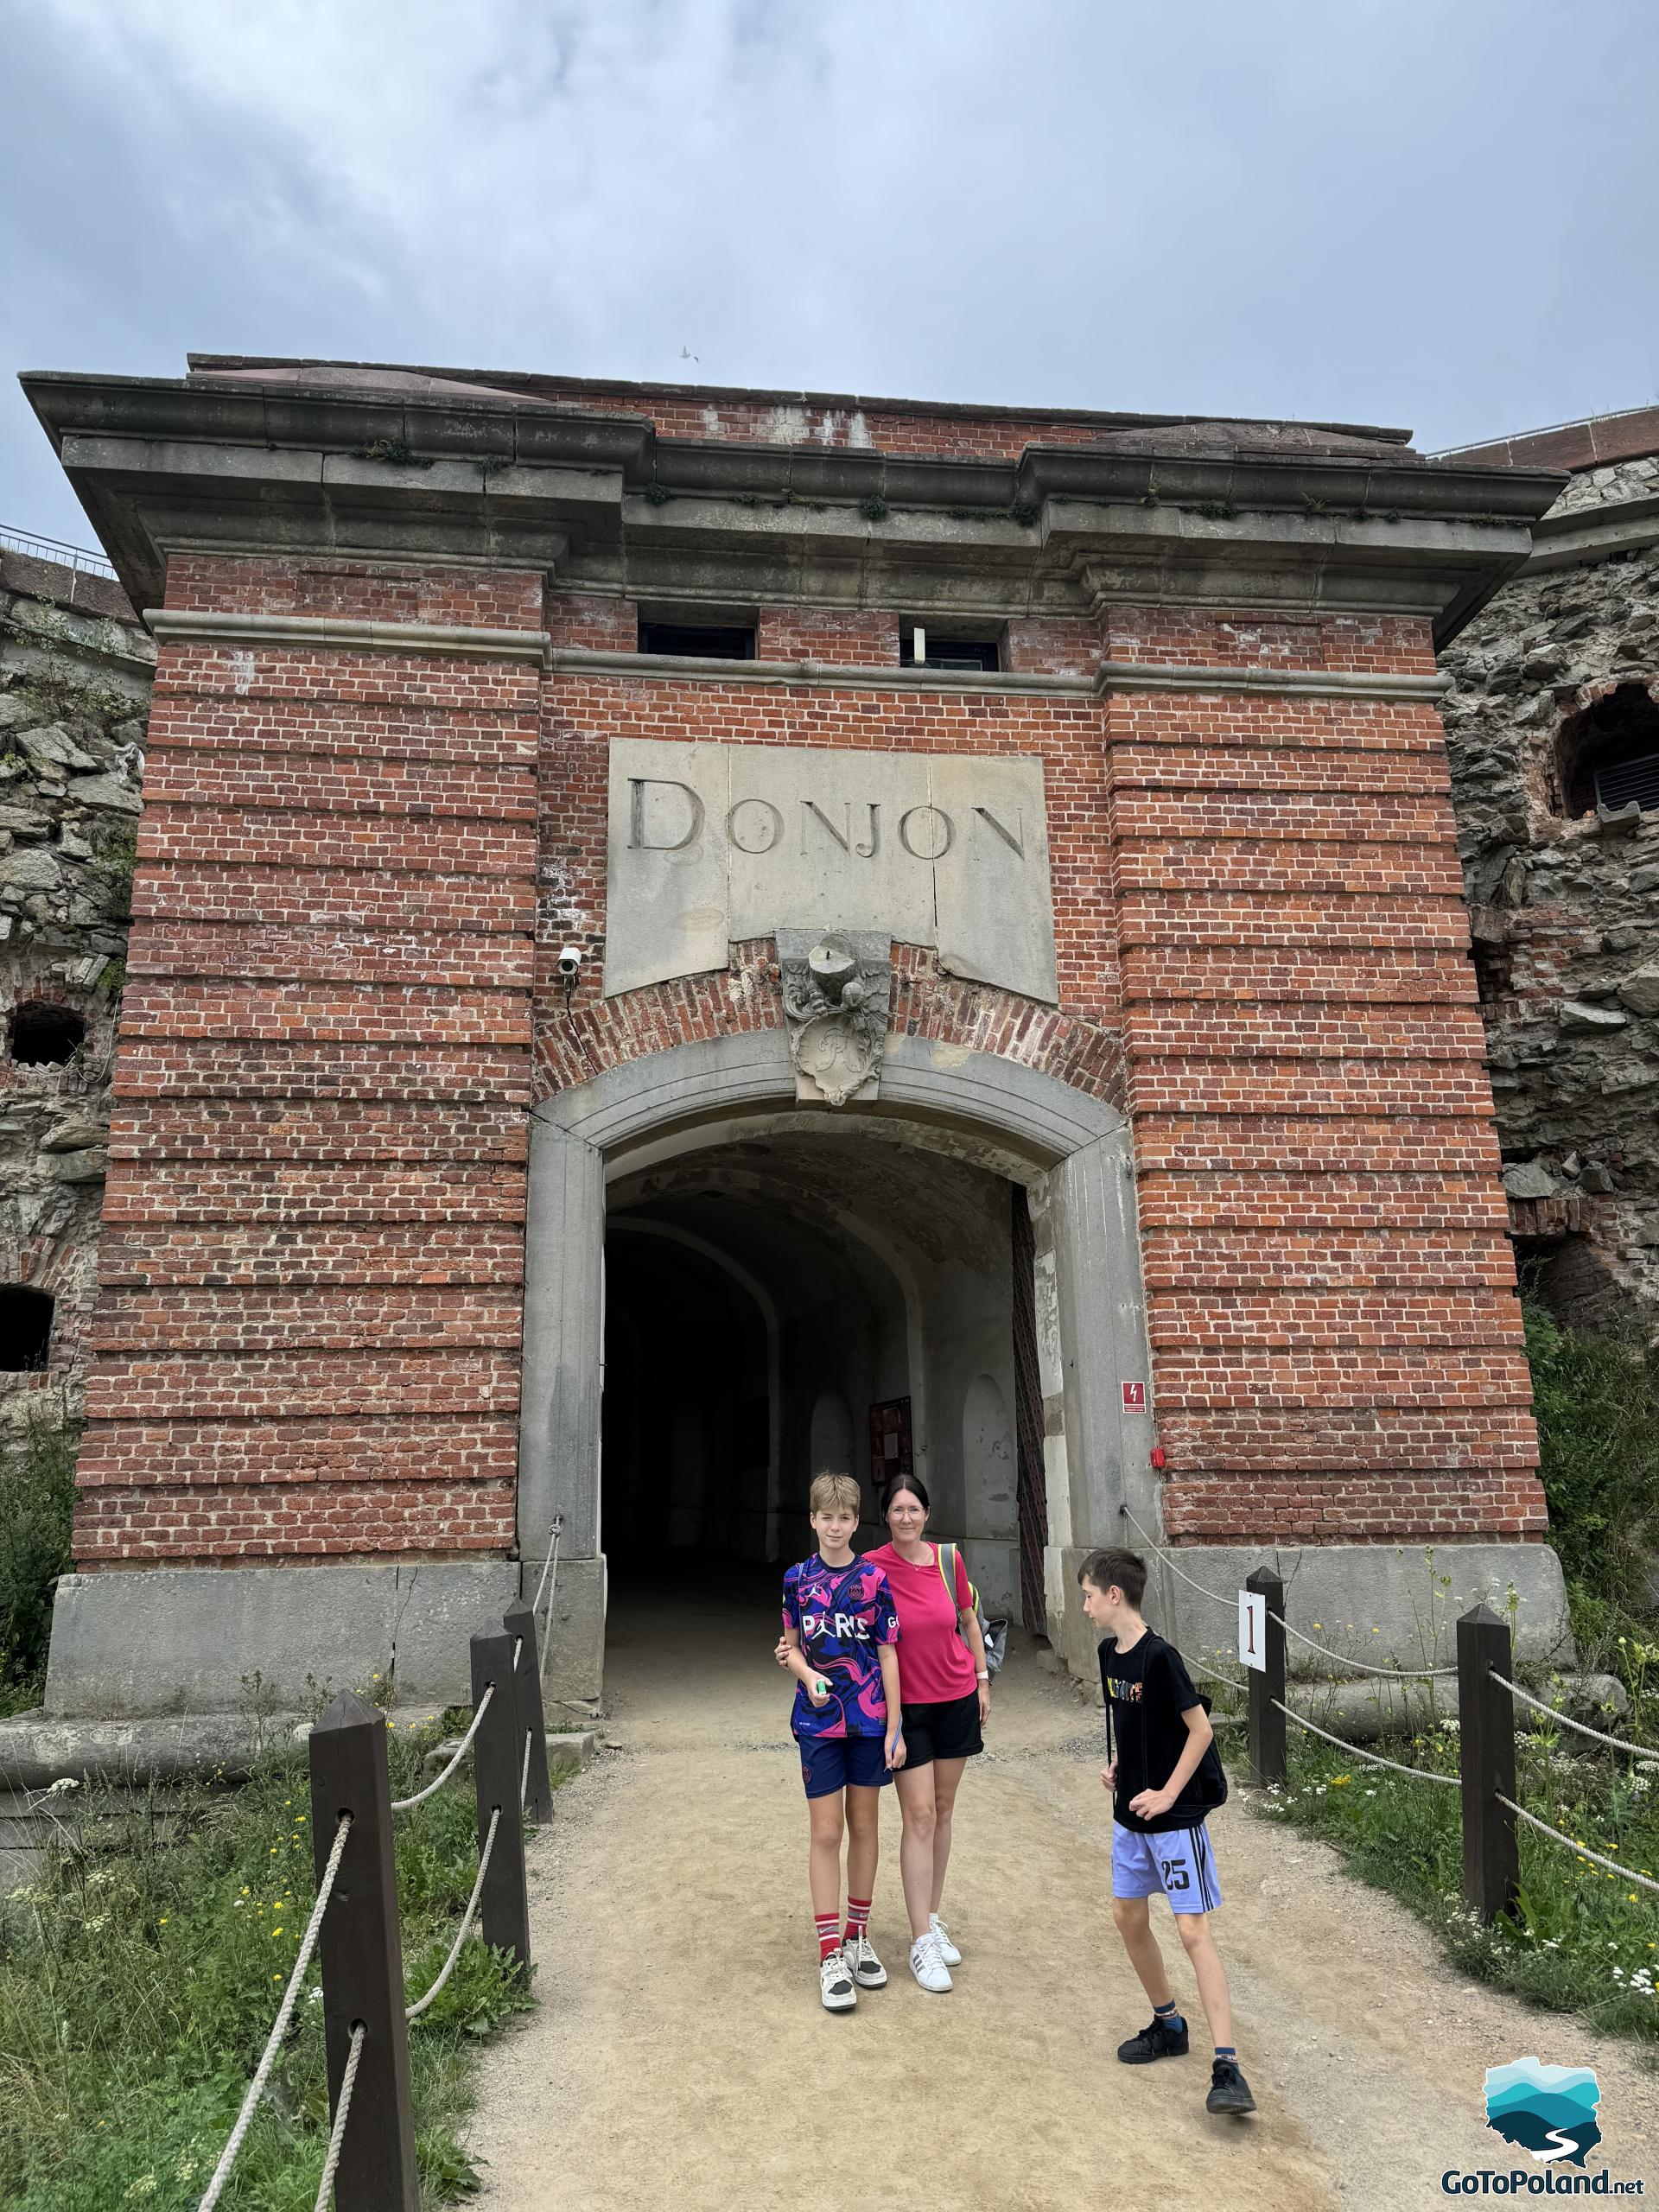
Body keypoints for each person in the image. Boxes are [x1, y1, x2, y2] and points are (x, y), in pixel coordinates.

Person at [1078, 1545, 1256, 2117]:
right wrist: (1120, 1770)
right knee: (1127, 1917)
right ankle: (1168, 2024)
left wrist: (1169, 1793)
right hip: (1129, 1819)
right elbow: (1132, 1726)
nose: (1083, 1606)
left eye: (1087, 1595)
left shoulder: (1161, 1658)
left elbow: (1199, 1732)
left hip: (1174, 1822)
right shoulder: (1110, 1655)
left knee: (1191, 1931)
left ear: (1114, 1594)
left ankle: (1228, 2066)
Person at [779, 1471, 905, 2013]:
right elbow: (792, 1648)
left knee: (866, 1827)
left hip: (870, 1722)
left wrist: (895, 1726)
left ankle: (858, 1935)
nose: (835, 1527)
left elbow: (888, 1654)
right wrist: (806, 1676)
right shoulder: (796, 1580)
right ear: (813, 1520)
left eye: (845, 1518)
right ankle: (829, 1950)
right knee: (826, 1831)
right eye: (826, 1517)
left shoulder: (875, 1580)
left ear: (857, 1521)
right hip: (817, 1723)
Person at [864, 1476, 990, 1995]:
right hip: (906, 1708)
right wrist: (795, 1652)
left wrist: (982, 1680)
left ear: (927, 1513)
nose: (906, 1518)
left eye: (914, 1509)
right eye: (897, 1510)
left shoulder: (948, 1560)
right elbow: (841, 1622)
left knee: (942, 1809)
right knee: (916, 1815)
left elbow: (967, 1620)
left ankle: (932, 1917)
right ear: (886, 1517)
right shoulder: (871, 1567)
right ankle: (919, 1941)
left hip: (956, 1696)